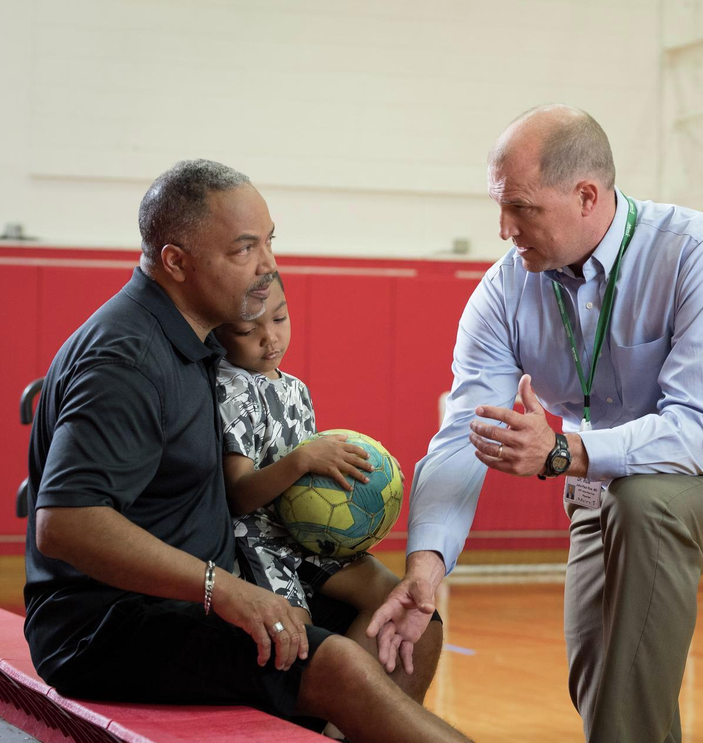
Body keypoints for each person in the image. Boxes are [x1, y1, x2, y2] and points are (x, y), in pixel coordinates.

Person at [365, 105, 703, 743]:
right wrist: (426, 567)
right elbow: (465, 436)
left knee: (645, 503)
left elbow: (695, 433)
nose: (503, 228)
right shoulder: (502, 293)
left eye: (520, 207)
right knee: (600, 673)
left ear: (586, 196)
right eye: (499, 205)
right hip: (603, 490)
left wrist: (562, 452)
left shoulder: (698, 251)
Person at [23, 159, 468, 743]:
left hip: (197, 589)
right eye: (243, 249)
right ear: (175, 261)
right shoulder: (127, 357)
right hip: (106, 623)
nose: (268, 266)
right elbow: (65, 523)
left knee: (410, 619)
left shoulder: (202, 341)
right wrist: (224, 588)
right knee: (333, 663)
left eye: (269, 241)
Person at [214, 272, 442, 710]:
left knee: (390, 596)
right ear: (219, 332)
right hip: (260, 544)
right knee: (296, 636)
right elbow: (238, 495)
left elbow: (314, 482)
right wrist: (302, 460)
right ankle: (332, 715)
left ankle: (349, 722)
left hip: (307, 538)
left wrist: (363, 478)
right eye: (247, 331)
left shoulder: (296, 388)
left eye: (280, 319)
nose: (270, 339)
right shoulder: (231, 388)